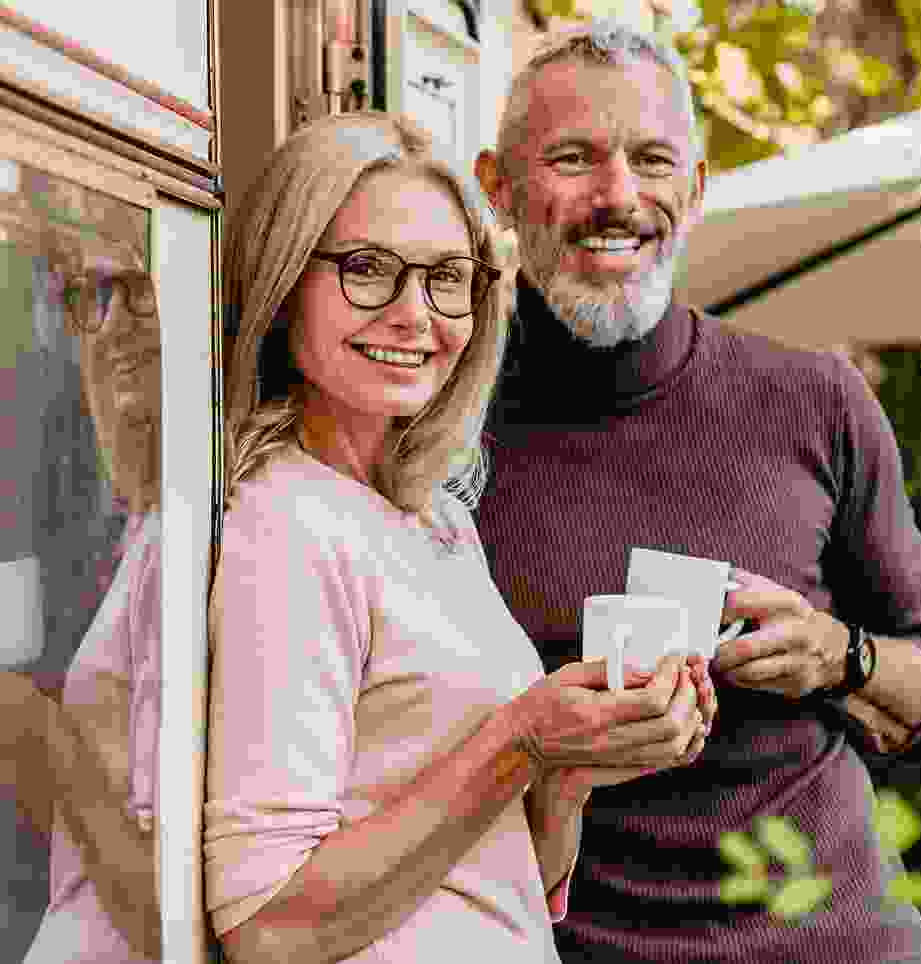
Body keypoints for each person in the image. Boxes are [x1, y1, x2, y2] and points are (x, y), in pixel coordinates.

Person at [473, 21, 921, 964]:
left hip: (832, 945)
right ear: (498, 189)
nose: (617, 197)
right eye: (573, 157)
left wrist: (840, 655)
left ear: (694, 190)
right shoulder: (440, 427)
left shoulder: (816, 399)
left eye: (653, 159)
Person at [204, 112, 716, 964]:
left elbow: (512, 872)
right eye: (368, 269)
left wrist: (569, 772)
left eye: (448, 278)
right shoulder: (287, 524)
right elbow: (270, 928)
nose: (416, 316)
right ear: (286, 277)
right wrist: (519, 737)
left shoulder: (431, 515)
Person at [11, 251, 164, 962]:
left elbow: (173, 913)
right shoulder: (138, 531)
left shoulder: (192, 537)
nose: (112, 327)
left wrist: (37, 733)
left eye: (140, 289)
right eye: (93, 297)